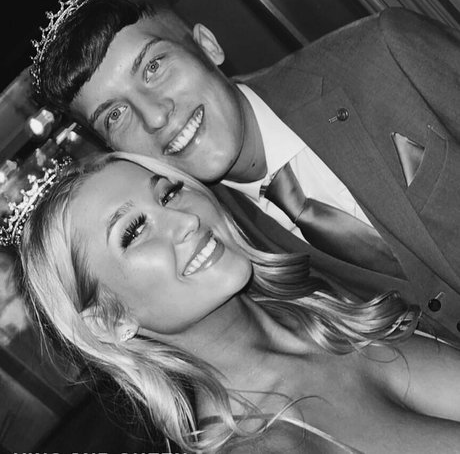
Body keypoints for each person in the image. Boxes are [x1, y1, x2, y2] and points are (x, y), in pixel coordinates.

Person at [32, 0, 460, 343]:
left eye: (154, 67)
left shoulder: (386, 53)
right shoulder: (218, 257)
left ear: (207, 46)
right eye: (115, 115)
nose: (155, 115)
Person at [16, 152, 460, 453]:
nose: (186, 219)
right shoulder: (259, 443)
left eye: (168, 193)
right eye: (133, 231)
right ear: (110, 322)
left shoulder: (324, 310)